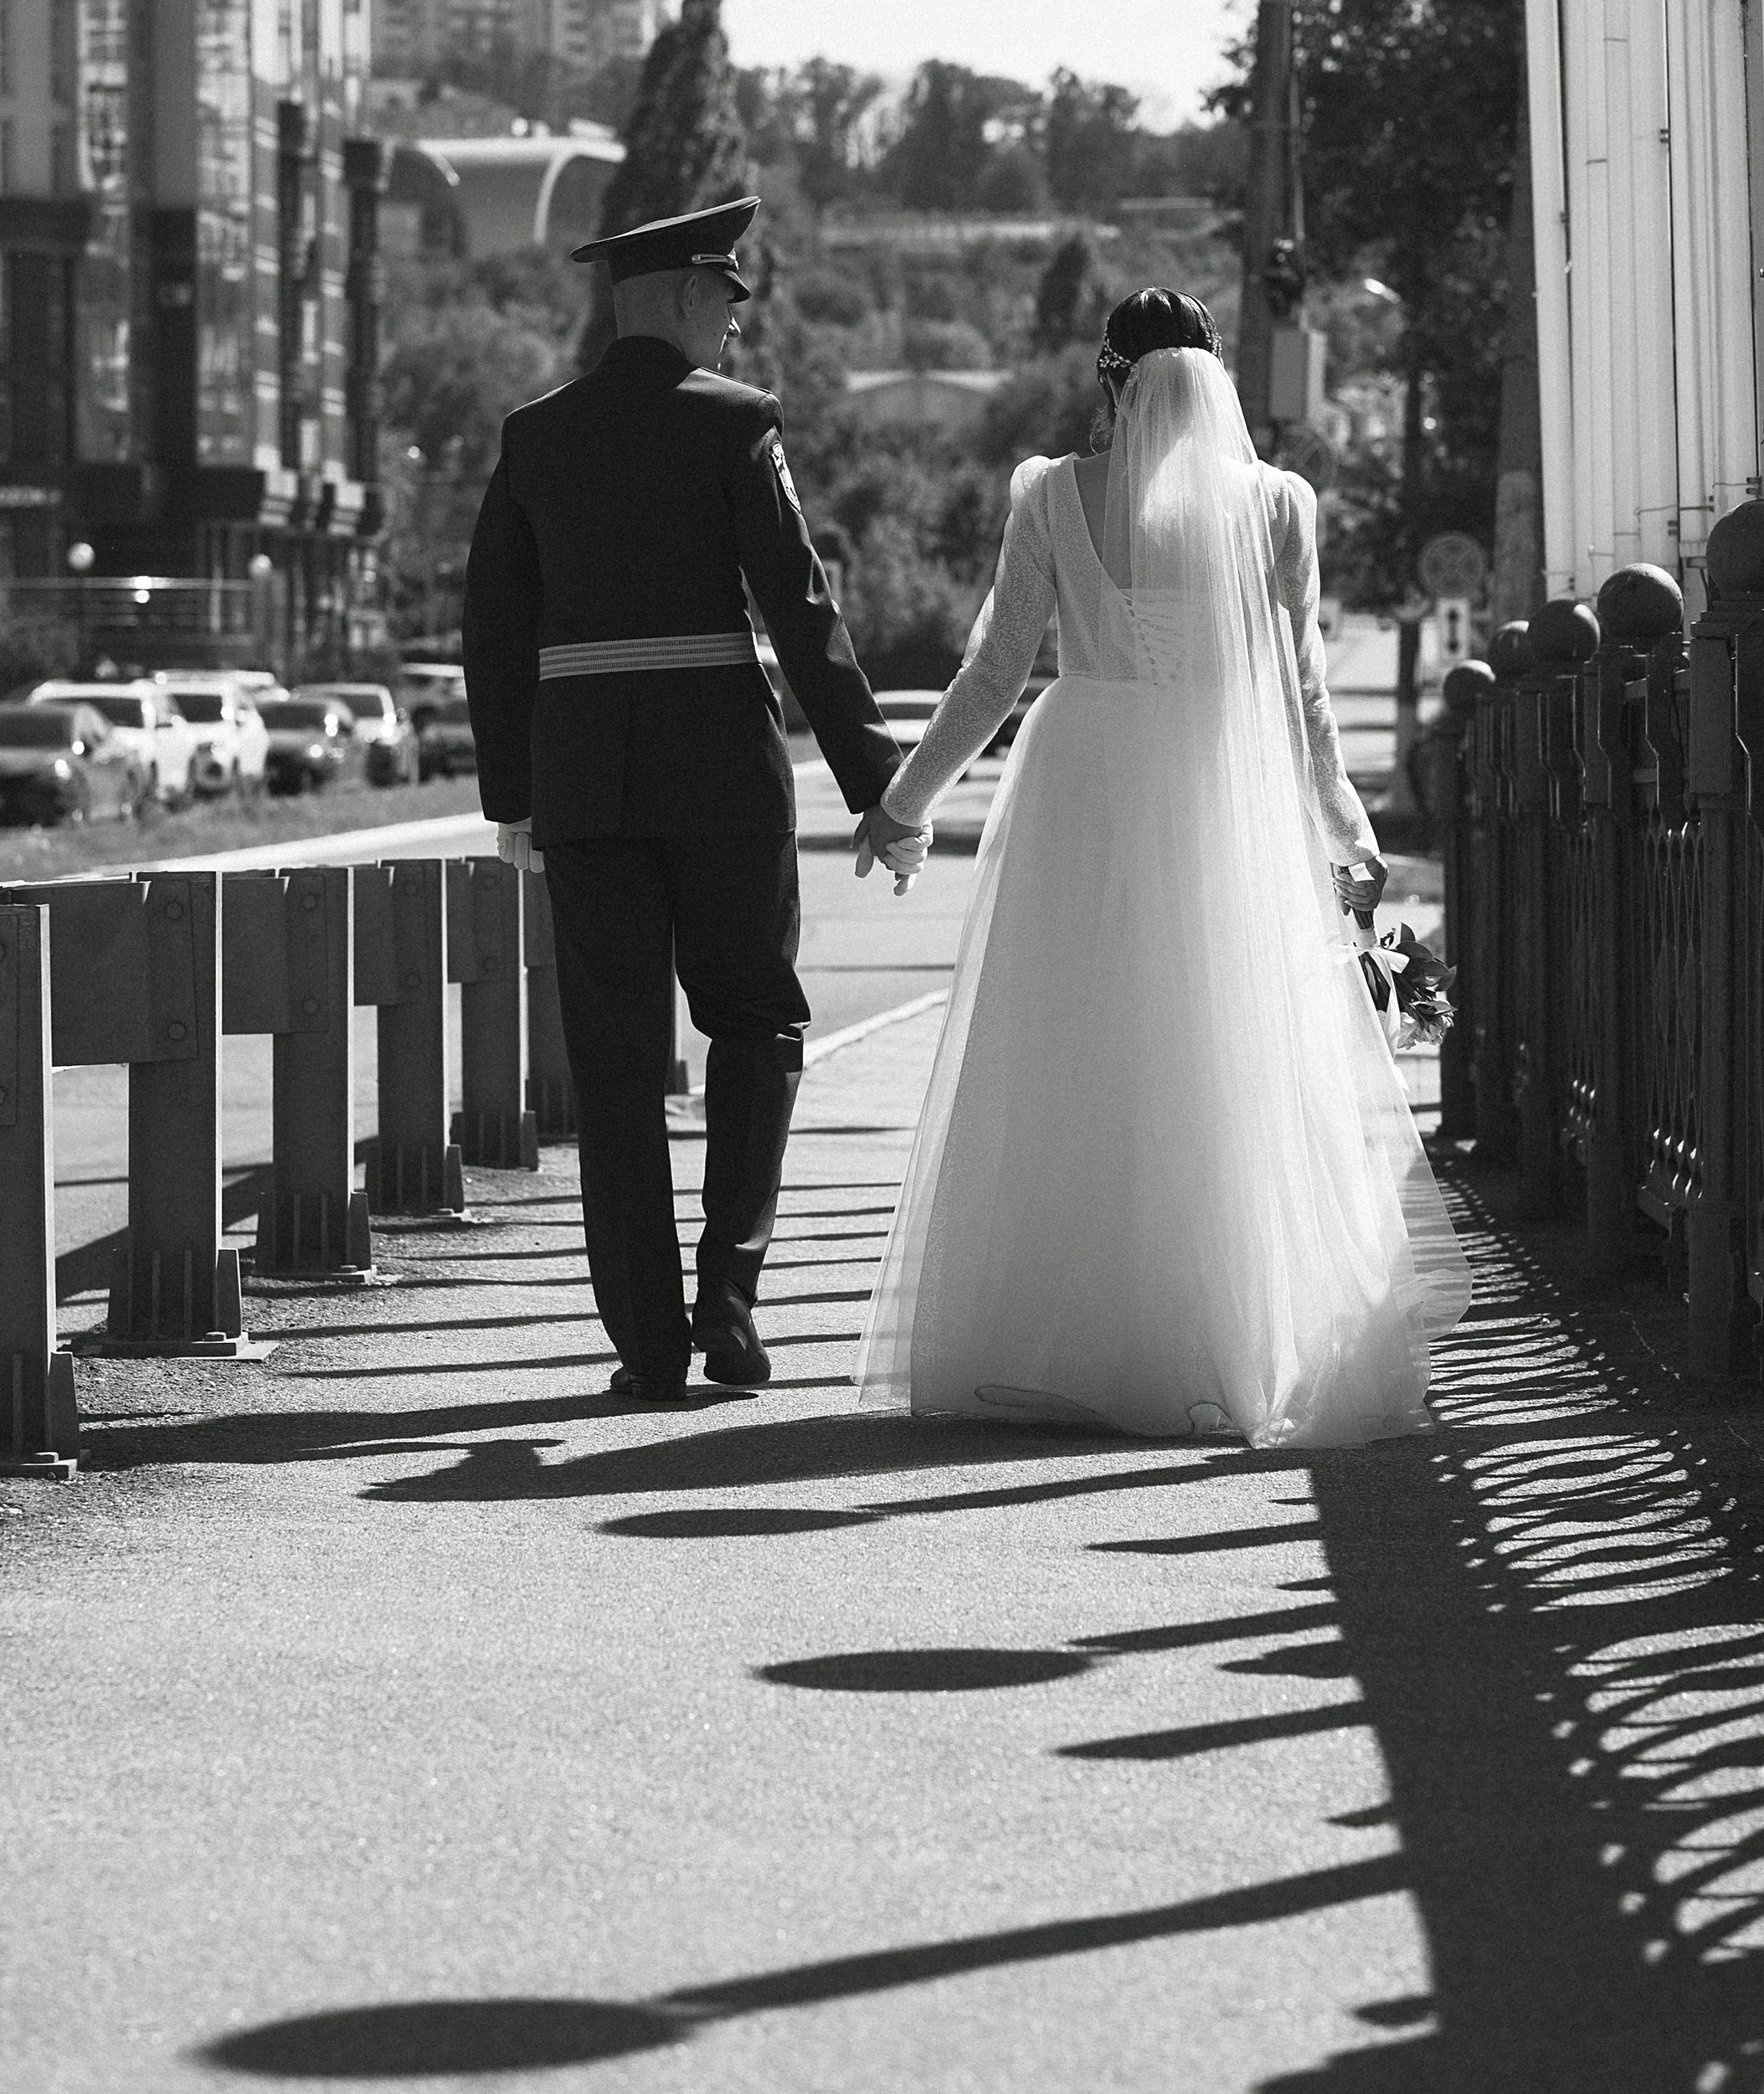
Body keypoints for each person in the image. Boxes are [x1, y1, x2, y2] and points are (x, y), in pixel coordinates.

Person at [855, 286, 1472, 1444]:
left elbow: (995, 674)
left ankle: (1063, 1335)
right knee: (1219, 1054)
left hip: (1082, 792)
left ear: (1110, 379)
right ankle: (1215, 1339)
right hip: (1219, 792)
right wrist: (1349, 833)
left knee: (1076, 1057)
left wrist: (904, 804)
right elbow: (1302, 694)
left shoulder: (1053, 494)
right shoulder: (1278, 504)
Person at [462, 195, 927, 1403]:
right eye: (726, 298)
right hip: (721, 775)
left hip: (585, 785)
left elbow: (495, 629)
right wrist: (880, 787)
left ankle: (645, 1344)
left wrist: (514, 795)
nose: (733, 323)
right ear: (679, 294)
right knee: (757, 1022)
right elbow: (803, 610)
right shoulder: (736, 424)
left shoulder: (534, 437)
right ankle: (730, 1302)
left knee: (615, 1062)